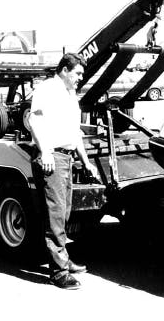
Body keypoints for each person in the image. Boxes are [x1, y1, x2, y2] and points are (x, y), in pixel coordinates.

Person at [28, 53, 99, 290]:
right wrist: (45, 152)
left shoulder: (70, 95)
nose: (80, 78)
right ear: (65, 70)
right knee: (55, 215)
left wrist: (86, 161)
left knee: (65, 212)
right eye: (78, 73)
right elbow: (35, 120)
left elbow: (74, 132)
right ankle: (58, 273)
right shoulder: (47, 89)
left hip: (66, 158)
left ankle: (63, 260)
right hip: (52, 157)